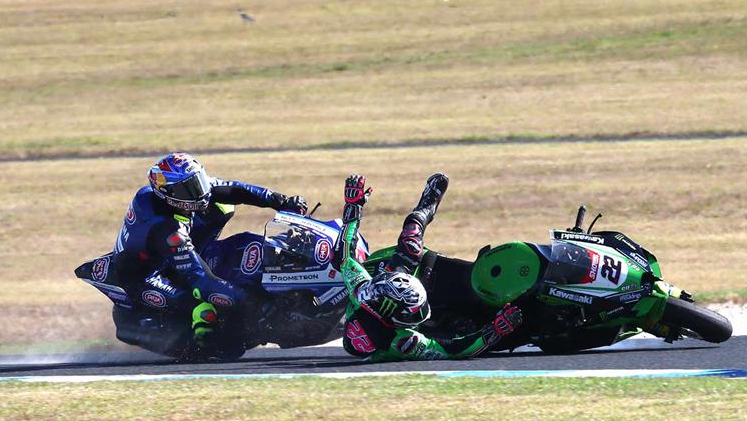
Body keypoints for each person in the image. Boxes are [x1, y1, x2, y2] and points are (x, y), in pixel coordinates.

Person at [112, 152, 307, 345]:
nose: (199, 191)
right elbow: (201, 279)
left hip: (176, 253)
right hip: (147, 277)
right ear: (169, 194)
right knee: (204, 310)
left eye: (198, 182)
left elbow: (235, 189)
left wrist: (281, 201)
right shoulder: (167, 229)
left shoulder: (180, 197)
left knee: (231, 219)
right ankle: (200, 342)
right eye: (189, 189)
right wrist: (253, 304)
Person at [333, 174, 522, 361]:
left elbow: (344, 254)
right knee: (455, 331)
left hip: (384, 280)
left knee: (410, 243)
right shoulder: (402, 342)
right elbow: (453, 350)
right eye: (415, 314)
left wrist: (354, 204)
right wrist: (494, 331)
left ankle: (427, 203)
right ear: (399, 323)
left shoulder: (362, 288)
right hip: (416, 323)